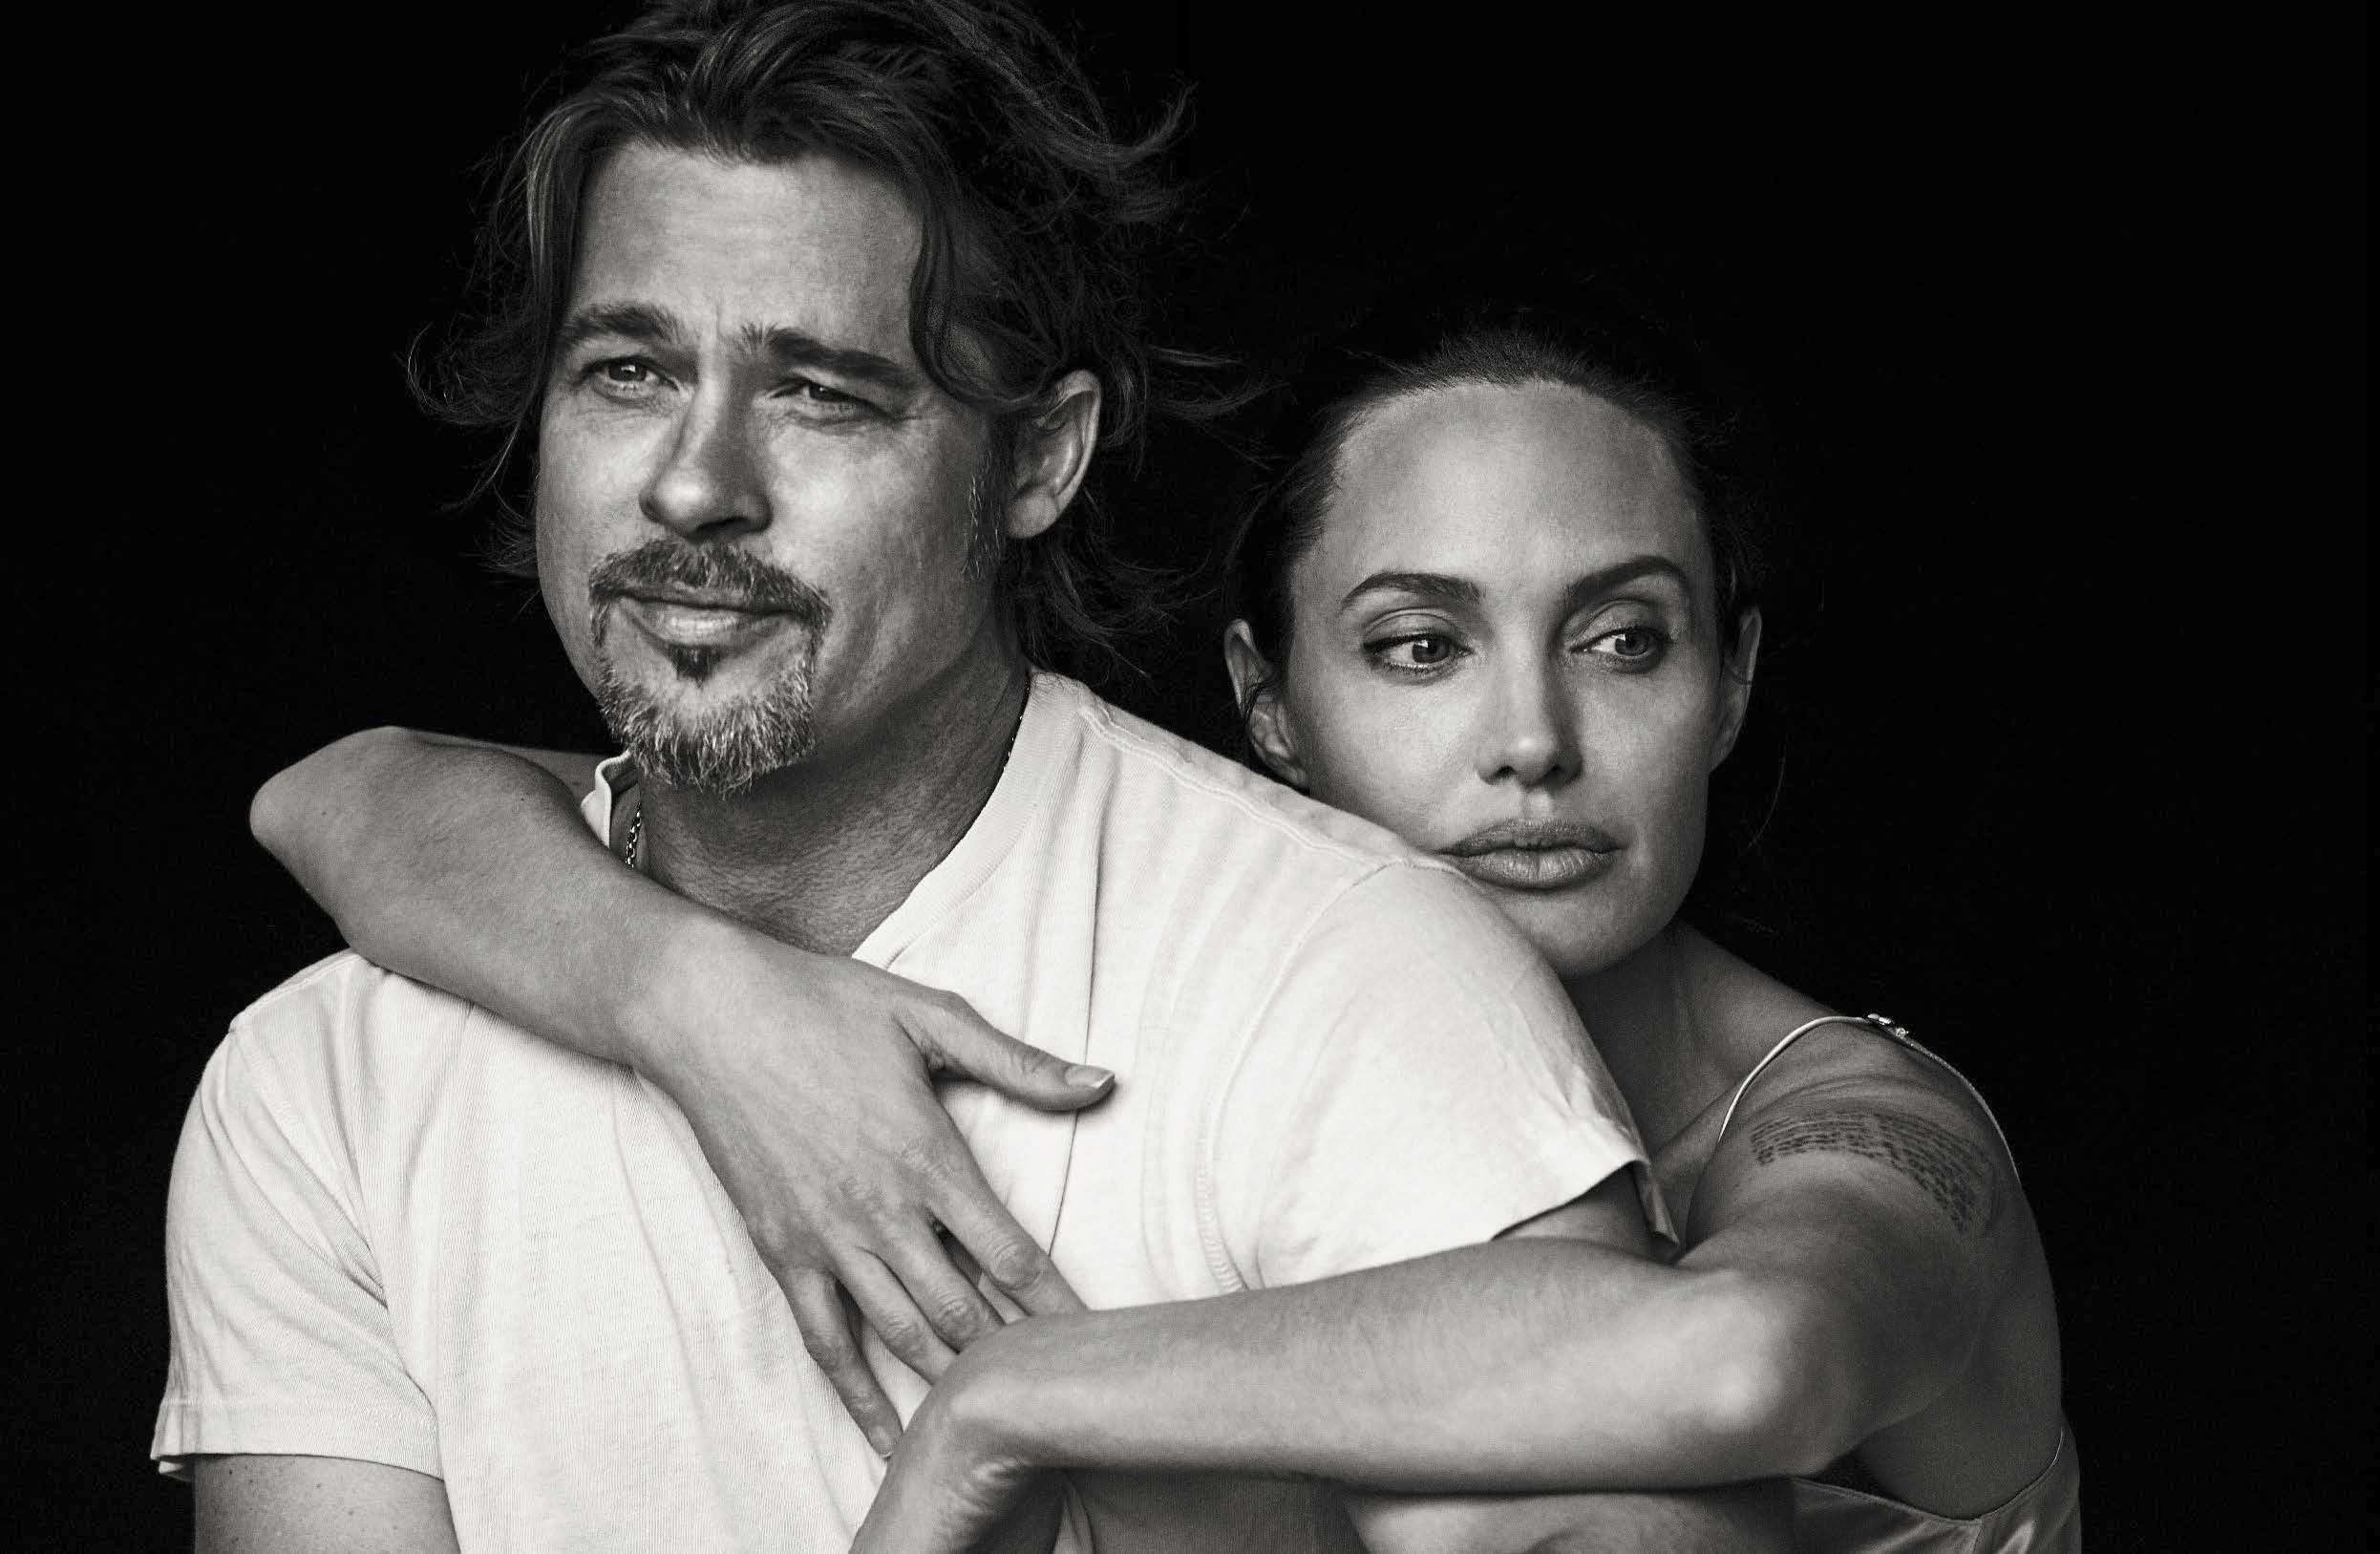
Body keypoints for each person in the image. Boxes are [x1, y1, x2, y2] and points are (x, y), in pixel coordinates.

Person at [159, 2, 1777, 1549]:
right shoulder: (322, 1088)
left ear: (1036, 459)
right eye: (629, 373)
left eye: (819, 393)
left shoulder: (1345, 969)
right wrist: (693, 1001)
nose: (696, 488)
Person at [255, 290, 2077, 1551]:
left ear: (1729, 683)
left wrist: (1013, 1402)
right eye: (1420, 646)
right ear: (1267, 706)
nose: (1533, 741)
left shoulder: (1862, 1126)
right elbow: (362, 795)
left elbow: (1746, 1360)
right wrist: (692, 998)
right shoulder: (1230, 1023)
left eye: (1622, 638)